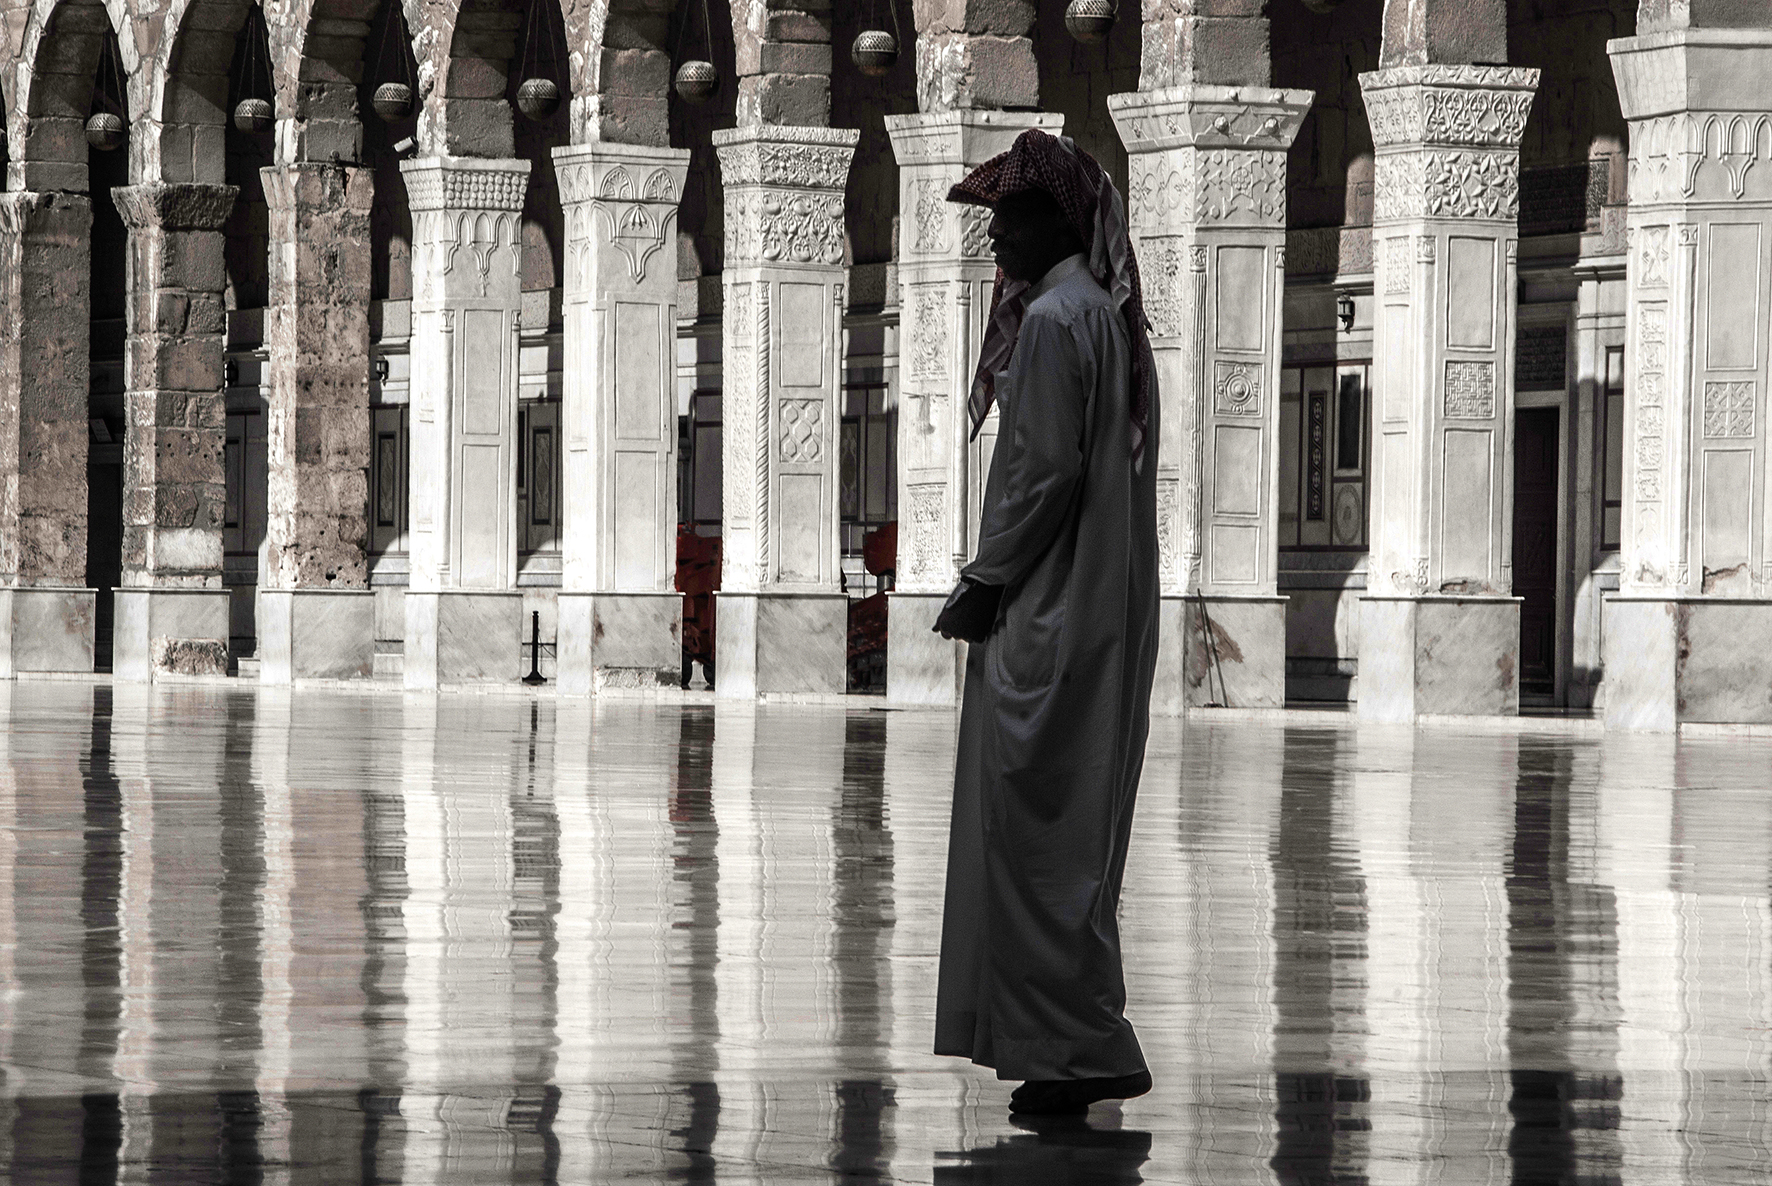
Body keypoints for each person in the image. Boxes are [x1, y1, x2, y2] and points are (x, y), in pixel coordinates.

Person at [931, 129, 1161, 1117]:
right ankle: (1067, 1039)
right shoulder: (1094, 316)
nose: (996, 240)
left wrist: (984, 578)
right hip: (1088, 605)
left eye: (1011, 218)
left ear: (1059, 221)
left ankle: (1078, 1045)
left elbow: (1040, 471)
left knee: (1033, 834)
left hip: (1049, 612)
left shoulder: (1056, 320)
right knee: (1064, 836)